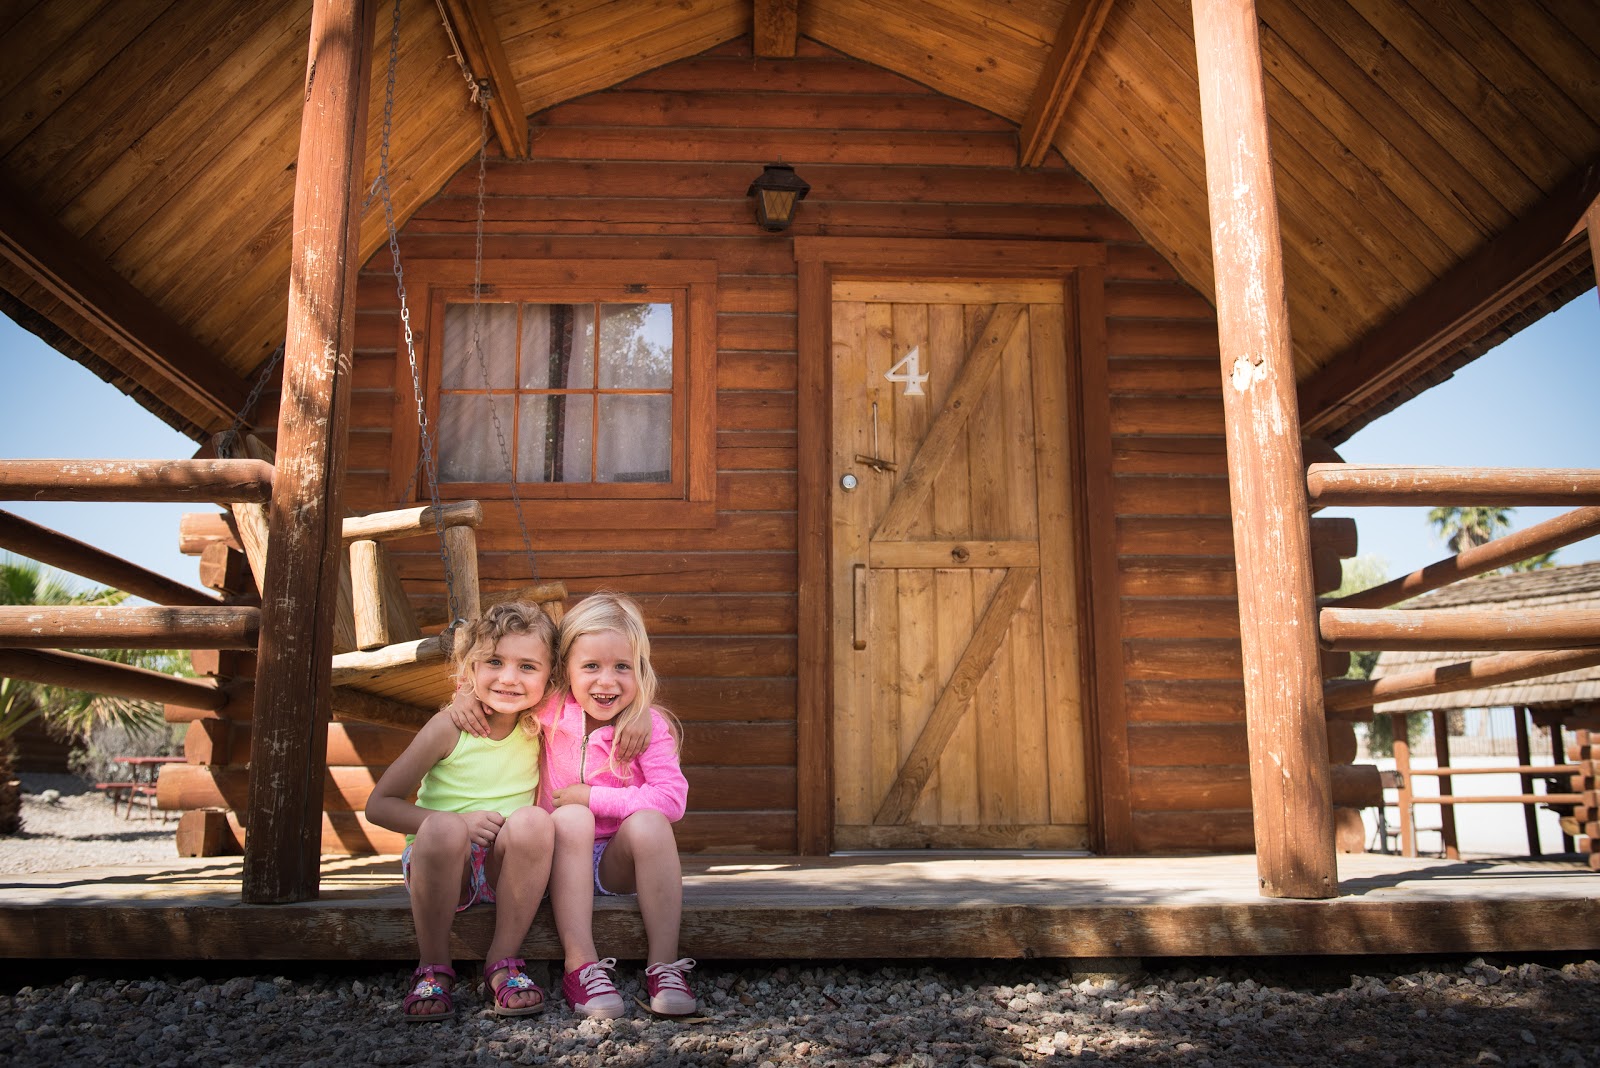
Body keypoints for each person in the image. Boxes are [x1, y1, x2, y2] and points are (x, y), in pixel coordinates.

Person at [449, 591, 695, 1018]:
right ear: (566, 669)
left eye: (623, 667)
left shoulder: (648, 727)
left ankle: (665, 966)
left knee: (652, 823)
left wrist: (594, 794)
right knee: (573, 817)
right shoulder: (550, 708)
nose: (607, 682)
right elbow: (504, 688)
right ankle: (581, 966)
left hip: (614, 863)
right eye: (591, 666)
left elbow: (672, 800)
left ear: (641, 670)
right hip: (556, 860)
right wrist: (463, 696)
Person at [367, 601, 559, 1022]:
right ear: (471, 668)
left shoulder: (542, 726)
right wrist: (458, 823)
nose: (508, 678)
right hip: (440, 866)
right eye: (494, 662)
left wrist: (642, 720)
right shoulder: (449, 727)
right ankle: (433, 966)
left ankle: (503, 962)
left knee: (534, 822)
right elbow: (378, 805)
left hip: (503, 868)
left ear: (550, 677)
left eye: (528, 667)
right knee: (444, 830)